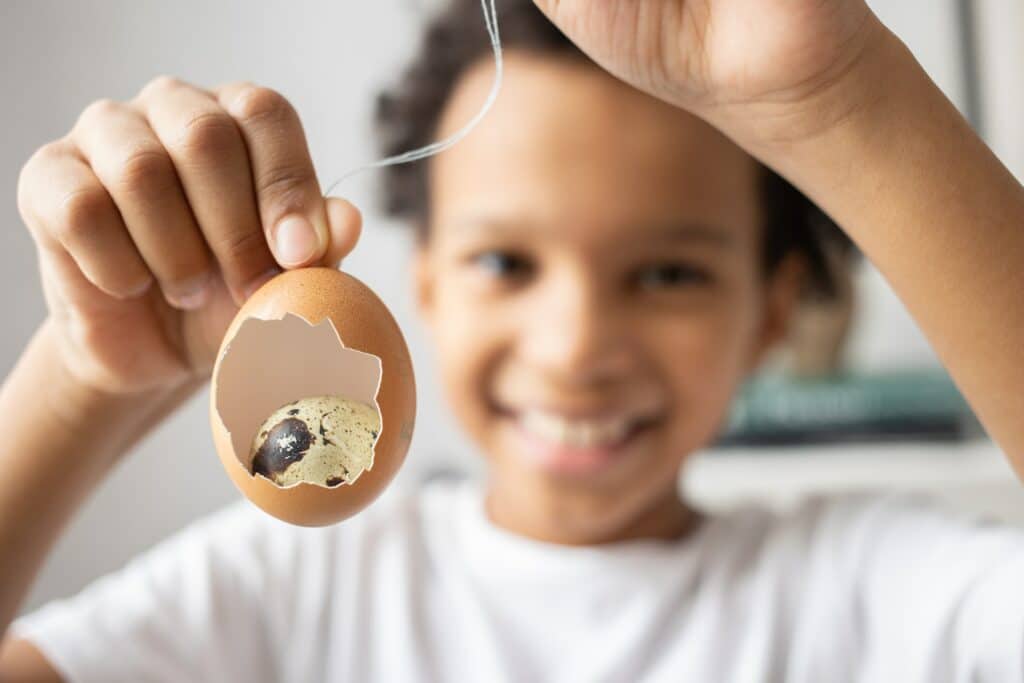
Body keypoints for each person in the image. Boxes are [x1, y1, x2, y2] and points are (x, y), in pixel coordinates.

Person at [2, 0, 1023, 680]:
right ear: (427, 286)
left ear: (768, 307)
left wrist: (843, 103)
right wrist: (77, 388)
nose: (576, 346)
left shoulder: (869, 589)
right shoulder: (288, 586)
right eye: (505, 264)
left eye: (667, 272)